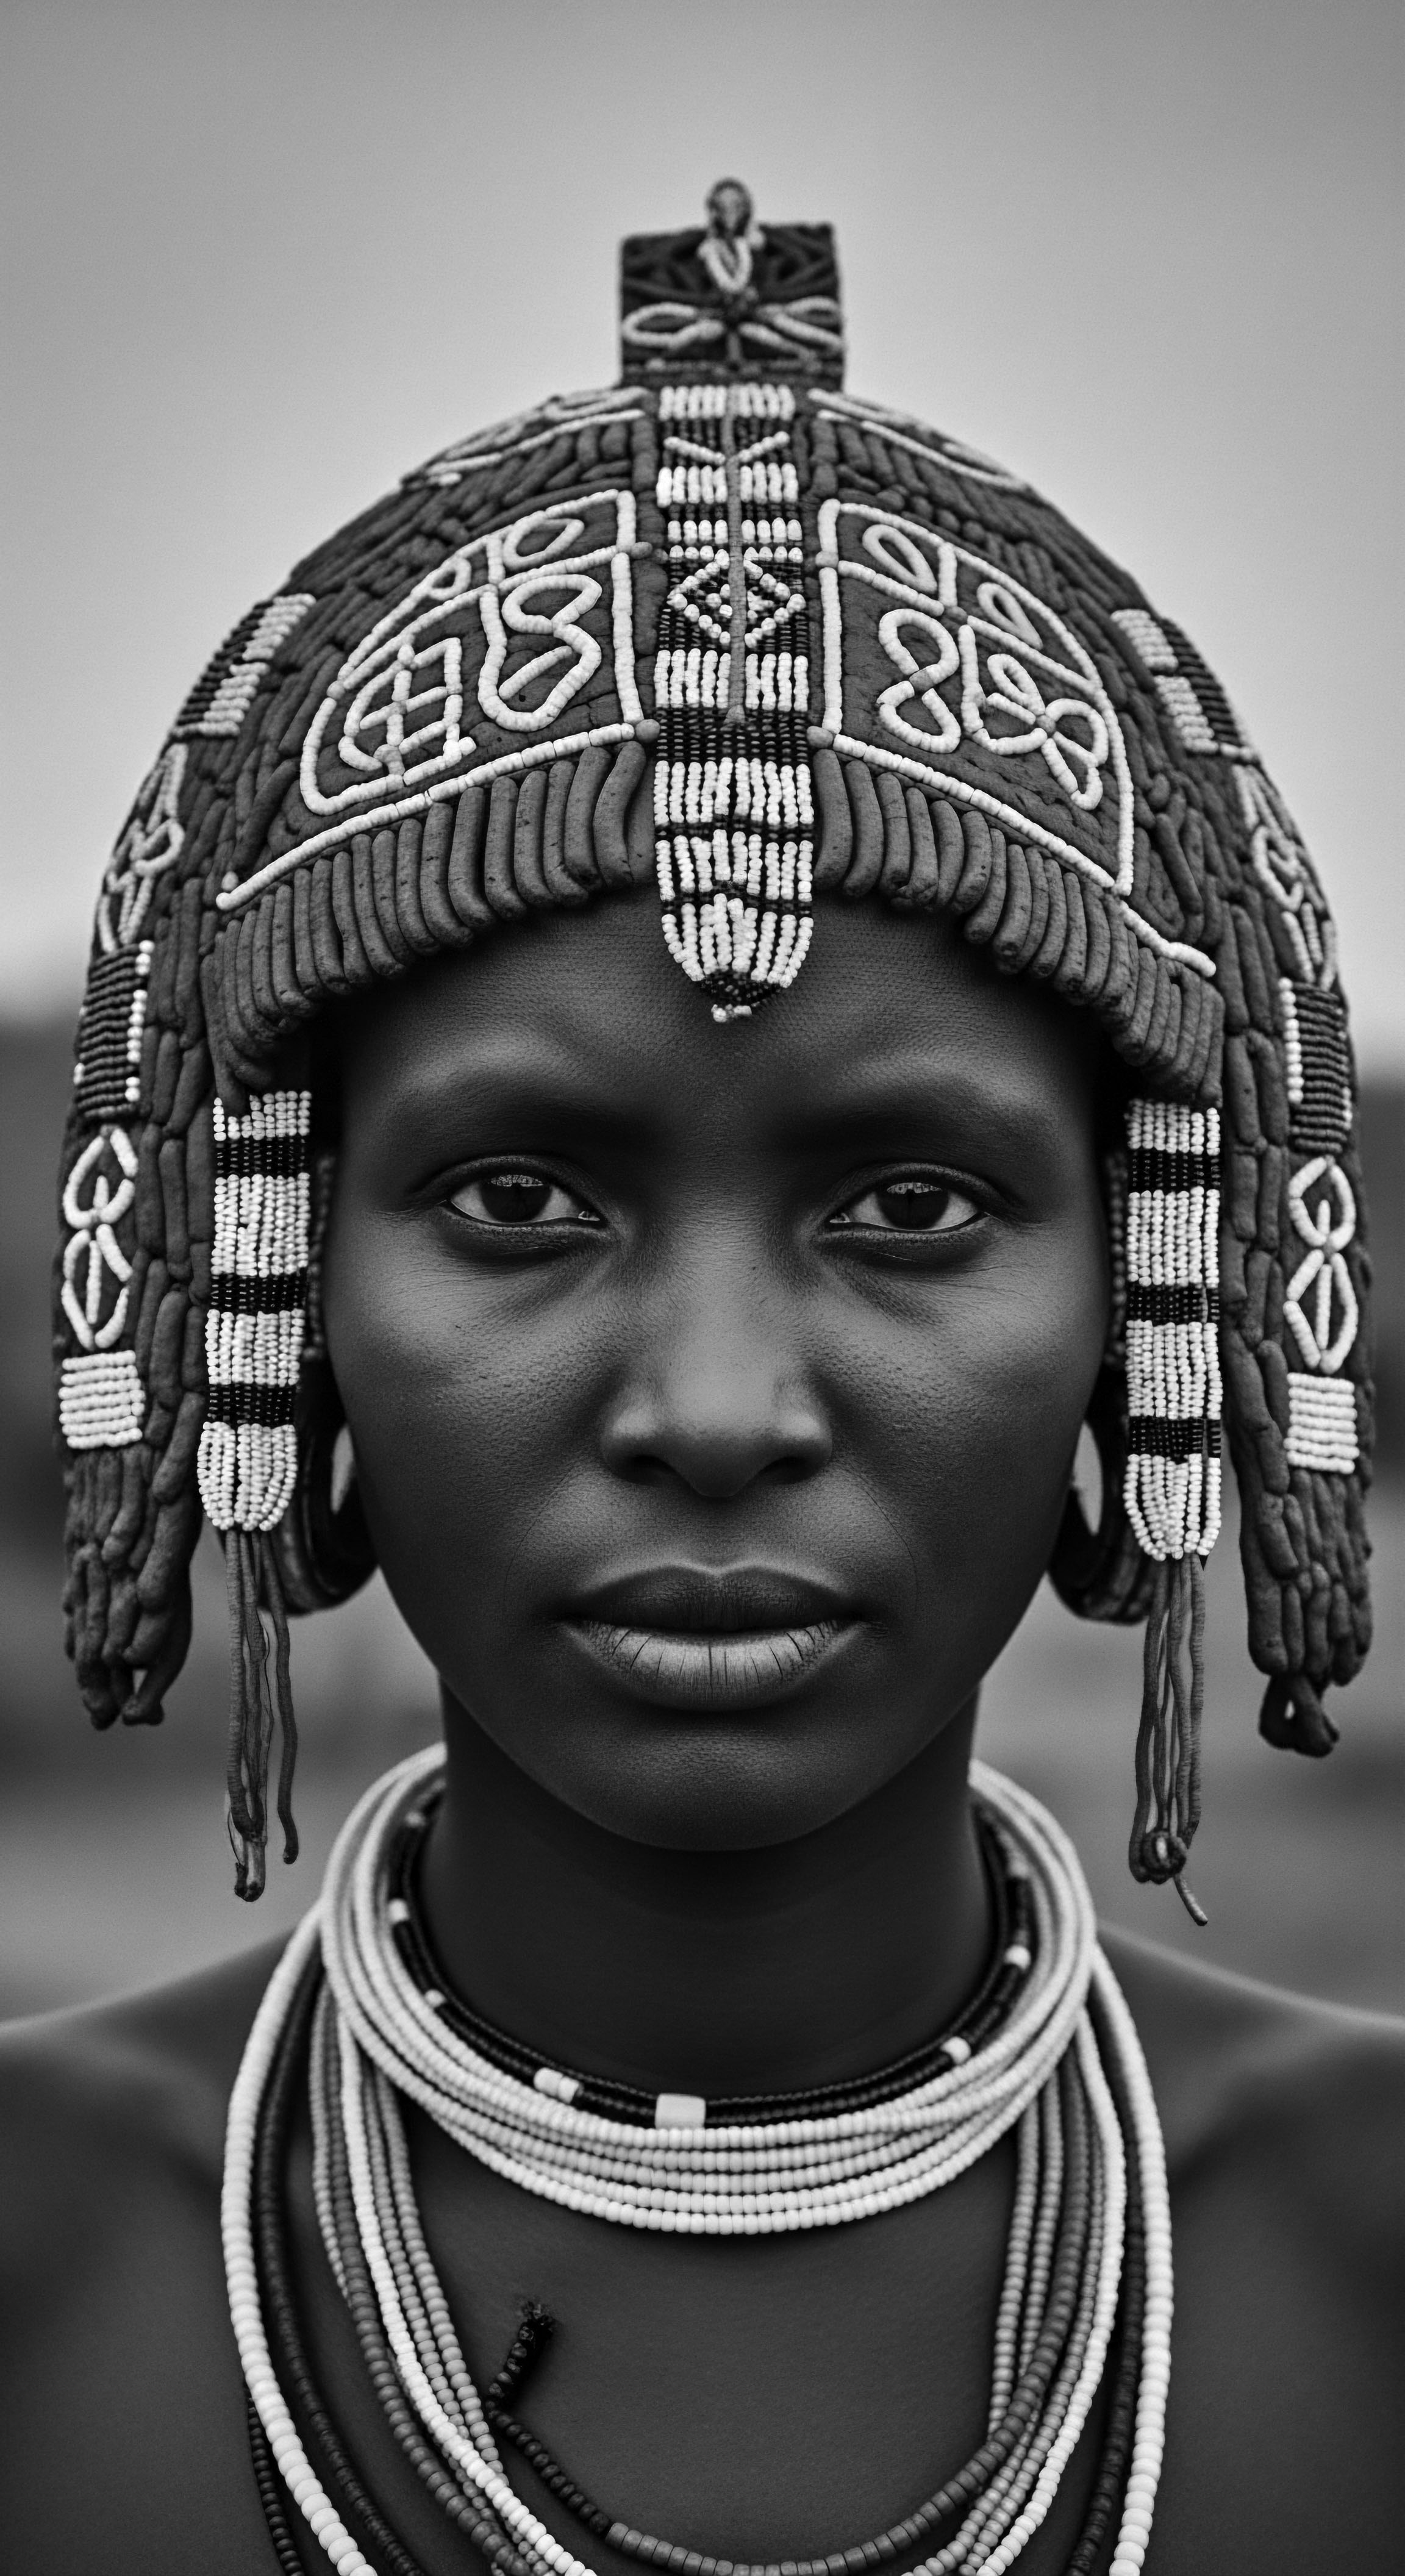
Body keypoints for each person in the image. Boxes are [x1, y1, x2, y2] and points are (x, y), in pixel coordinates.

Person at [1, 187, 1400, 2573]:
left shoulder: (1368, 2256)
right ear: (282, 1285)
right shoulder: (37, 2263)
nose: (725, 1404)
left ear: (1152, 1298)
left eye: (912, 1210)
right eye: (524, 1205)